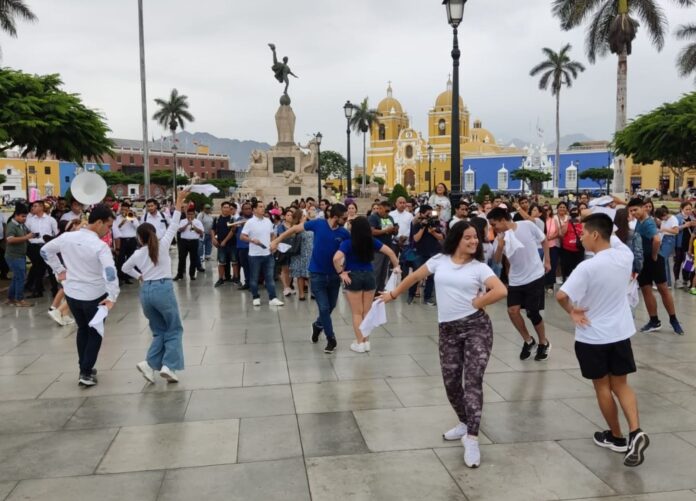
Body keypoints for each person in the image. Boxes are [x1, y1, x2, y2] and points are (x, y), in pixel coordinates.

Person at [380, 221, 507, 468]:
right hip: (447, 330)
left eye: (476, 238)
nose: (473, 242)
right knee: (450, 383)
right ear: (457, 238)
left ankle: (472, 437)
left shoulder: (479, 268)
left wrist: (478, 303)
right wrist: (392, 295)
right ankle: (463, 420)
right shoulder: (440, 260)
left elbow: (500, 290)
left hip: (476, 328)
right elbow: (415, 276)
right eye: (468, 237)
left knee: (472, 381)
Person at [556, 213, 650, 467]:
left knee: (602, 387)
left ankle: (617, 437)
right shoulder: (624, 256)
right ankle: (635, 431)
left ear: (595, 235)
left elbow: (561, 296)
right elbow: (614, 234)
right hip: (620, 333)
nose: (581, 237)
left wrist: (572, 311)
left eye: (584, 233)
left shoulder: (587, 267)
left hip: (593, 336)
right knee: (621, 385)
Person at [41, 204, 120, 387]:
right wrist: (112, 296)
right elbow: (110, 271)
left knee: (83, 329)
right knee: (95, 332)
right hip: (95, 295)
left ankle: (84, 367)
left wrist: (59, 270)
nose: (108, 230)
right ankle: (85, 371)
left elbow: (45, 250)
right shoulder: (100, 245)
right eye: (108, 226)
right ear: (99, 222)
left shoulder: (67, 237)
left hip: (73, 294)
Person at [124, 190, 189, 383]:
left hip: (146, 292)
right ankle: (169, 365)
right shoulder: (163, 244)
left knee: (159, 330)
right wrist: (178, 200)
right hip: (163, 289)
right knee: (174, 329)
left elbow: (124, 267)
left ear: (139, 238)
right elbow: (175, 222)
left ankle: (149, 364)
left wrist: (140, 276)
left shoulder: (138, 253)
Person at [272, 204, 350, 353]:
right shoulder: (318, 224)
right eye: (344, 217)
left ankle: (317, 325)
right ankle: (331, 339)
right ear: (335, 216)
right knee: (324, 307)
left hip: (334, 275)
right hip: (317, 274)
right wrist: (277, 240)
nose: (346, 220)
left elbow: (350, 250)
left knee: (331, 306)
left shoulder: (344, 233)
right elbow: (295, 229)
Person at [487, 207, 552, 361]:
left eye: (494, 224)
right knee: (512, 311)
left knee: (532, 312)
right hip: (516, 279)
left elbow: (544, 240)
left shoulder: (527, 226)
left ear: (503, 220)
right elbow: (496, 260)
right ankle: (528, 340)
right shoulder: (500, 238)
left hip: (534, 275)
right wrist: (501, 246)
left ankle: (543, 342)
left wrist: (547, 260)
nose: (493, 228)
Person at [333, 216, 400, 353]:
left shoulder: (347, 243)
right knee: (367, 311)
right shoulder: (372, 241)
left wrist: (341, 272)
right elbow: (391, 252)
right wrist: (397, 266)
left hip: (353, 276)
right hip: (370, 275)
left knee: (357, 313)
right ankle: (366, 341)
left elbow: (336, 258)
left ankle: (359, 343)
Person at [627, 198, 684, 335]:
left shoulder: (648, 223)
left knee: (663, 289)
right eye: (631, 210)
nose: (633, 212)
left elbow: (657, 239)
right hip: (643, 261)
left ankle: (673, 320)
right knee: (646, 290)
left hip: (653, 260)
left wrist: (654, 255)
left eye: (636, 210)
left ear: (643, 208)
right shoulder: (640, 222)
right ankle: (654, 320)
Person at [241, 200, 284, 307]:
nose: (262, 208)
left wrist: (273, 244)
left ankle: (272, 298)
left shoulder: (268, 221)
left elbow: (272, 235)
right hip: (254, 255)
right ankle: (255, 297)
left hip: (268, 254)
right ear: (254, 209)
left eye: (263, 206)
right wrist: (252, 240)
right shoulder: (250, 222)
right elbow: (242, 236)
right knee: (254, 277)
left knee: (269, 277)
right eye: (260, 206)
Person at [407, 205, 444, 305]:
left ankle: (427, 298)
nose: (429, 216)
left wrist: (433, 232)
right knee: (416, 275)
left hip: (433, 252)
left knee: (431, 276)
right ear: (422, 214)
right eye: (427, 214)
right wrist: (423, 226)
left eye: (431, 213)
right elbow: (416, 239)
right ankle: (411, 294)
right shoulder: (417, 224)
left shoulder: (435, 222)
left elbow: (441, 237)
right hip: (420, 252)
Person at [25, 200, 59, 298]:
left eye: (35, 206)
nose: (33, 208)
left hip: (47, 246)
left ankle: (55, 290)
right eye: (33, 206)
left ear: (41, 207)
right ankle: (37, 291)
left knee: (51, 268)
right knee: (38, 269)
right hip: (34, 247)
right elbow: (26, 232)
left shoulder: (50, 220)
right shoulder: (30, 220)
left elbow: (56, 233)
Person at [4, 204, 33, 307]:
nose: (24, 218)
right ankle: (19, 299)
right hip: (14, 257)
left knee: (17, 277)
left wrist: (31, 235)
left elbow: (26, 234)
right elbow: (10, 239)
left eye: (25, 216)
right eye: (22, 216)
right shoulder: (12, 225)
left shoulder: (21, 225)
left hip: (20, 255)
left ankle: (10, 298)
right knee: (21, 277)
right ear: (16, 215)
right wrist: (26, 237)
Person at [369, 201, 397, 293]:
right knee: (376, 271)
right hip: (377, 249)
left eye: (389, 211)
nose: (387, 213)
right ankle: (372, 291)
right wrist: (385, 230)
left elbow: (393, 232)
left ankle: (380, 290)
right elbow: (372, 231)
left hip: (387, 247)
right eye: (386, 211)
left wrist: (395, 230)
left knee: (383, 272)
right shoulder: (373, 217)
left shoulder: (390, 218)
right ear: (380, 208)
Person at [113, 202, 139, 285]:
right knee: (120, 259)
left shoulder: (133, 217)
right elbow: (116, 229)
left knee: (130, 259)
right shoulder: (117, 218)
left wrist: (131, 219)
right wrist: (123, 222)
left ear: (128, 209)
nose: (123, 211)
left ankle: (128, 277)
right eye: (122, 209)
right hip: (122, 240)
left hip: (132, 240)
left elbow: (137, 227)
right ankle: (121, 276)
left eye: (125, 209)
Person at [174, 209, 204, 281]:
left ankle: (192, 274)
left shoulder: (198, 222)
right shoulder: (182, 221)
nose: (190, 216)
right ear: (186, 214)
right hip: (183, 242)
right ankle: (179, 274)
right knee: (181, 258)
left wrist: (193, 225)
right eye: (188, 214)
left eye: (192, 214)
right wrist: (187, 224)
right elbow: (180, 230)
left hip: (194, 242)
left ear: (194, 215)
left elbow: (201, 232)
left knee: (193, 259)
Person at [212, 201, 236, 288]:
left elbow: (233, 231)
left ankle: (236, 278)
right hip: (220, 244)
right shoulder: (217, 219)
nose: (226, 209)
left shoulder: (232, 219)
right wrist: (213, 238)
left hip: (231, 243)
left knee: (234, 261)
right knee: (221, 262)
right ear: (221, 208)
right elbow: (213, 229)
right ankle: (221, 279)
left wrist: (225, 241)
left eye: (228, 207)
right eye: (224, 207)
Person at [560, 206, 585, 281]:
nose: (575, 218)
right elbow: (562, 233)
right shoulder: (567, 222)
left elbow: (585, 233)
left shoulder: (583, 223)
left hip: (579, 250)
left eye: (576, 215)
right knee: (567, 269)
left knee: (579, 269)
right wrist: (567, 221)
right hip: (567, 250)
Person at [674, 202, 694, 288]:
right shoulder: (676, 217)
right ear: (682, 209)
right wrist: (684, 225)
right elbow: (674, 228)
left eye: (690, 209)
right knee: (678, 262)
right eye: (686, 209)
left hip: (689, 244)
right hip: (679, 244)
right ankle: (677, 280)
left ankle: (686, 279)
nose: (688, 211)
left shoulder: (692, 218)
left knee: (688, 262)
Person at [235, 202, 253, 290]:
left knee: (253, 266)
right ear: (242, 210)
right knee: (245, 265)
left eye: (249, 208)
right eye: (246, 209)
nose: (248, 210)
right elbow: (234, 231)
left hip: (252, 246)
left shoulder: (254, 219)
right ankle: (247, 282)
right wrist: (235, 226)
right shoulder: (239, 219)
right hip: (241, 246)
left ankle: (253, 283)